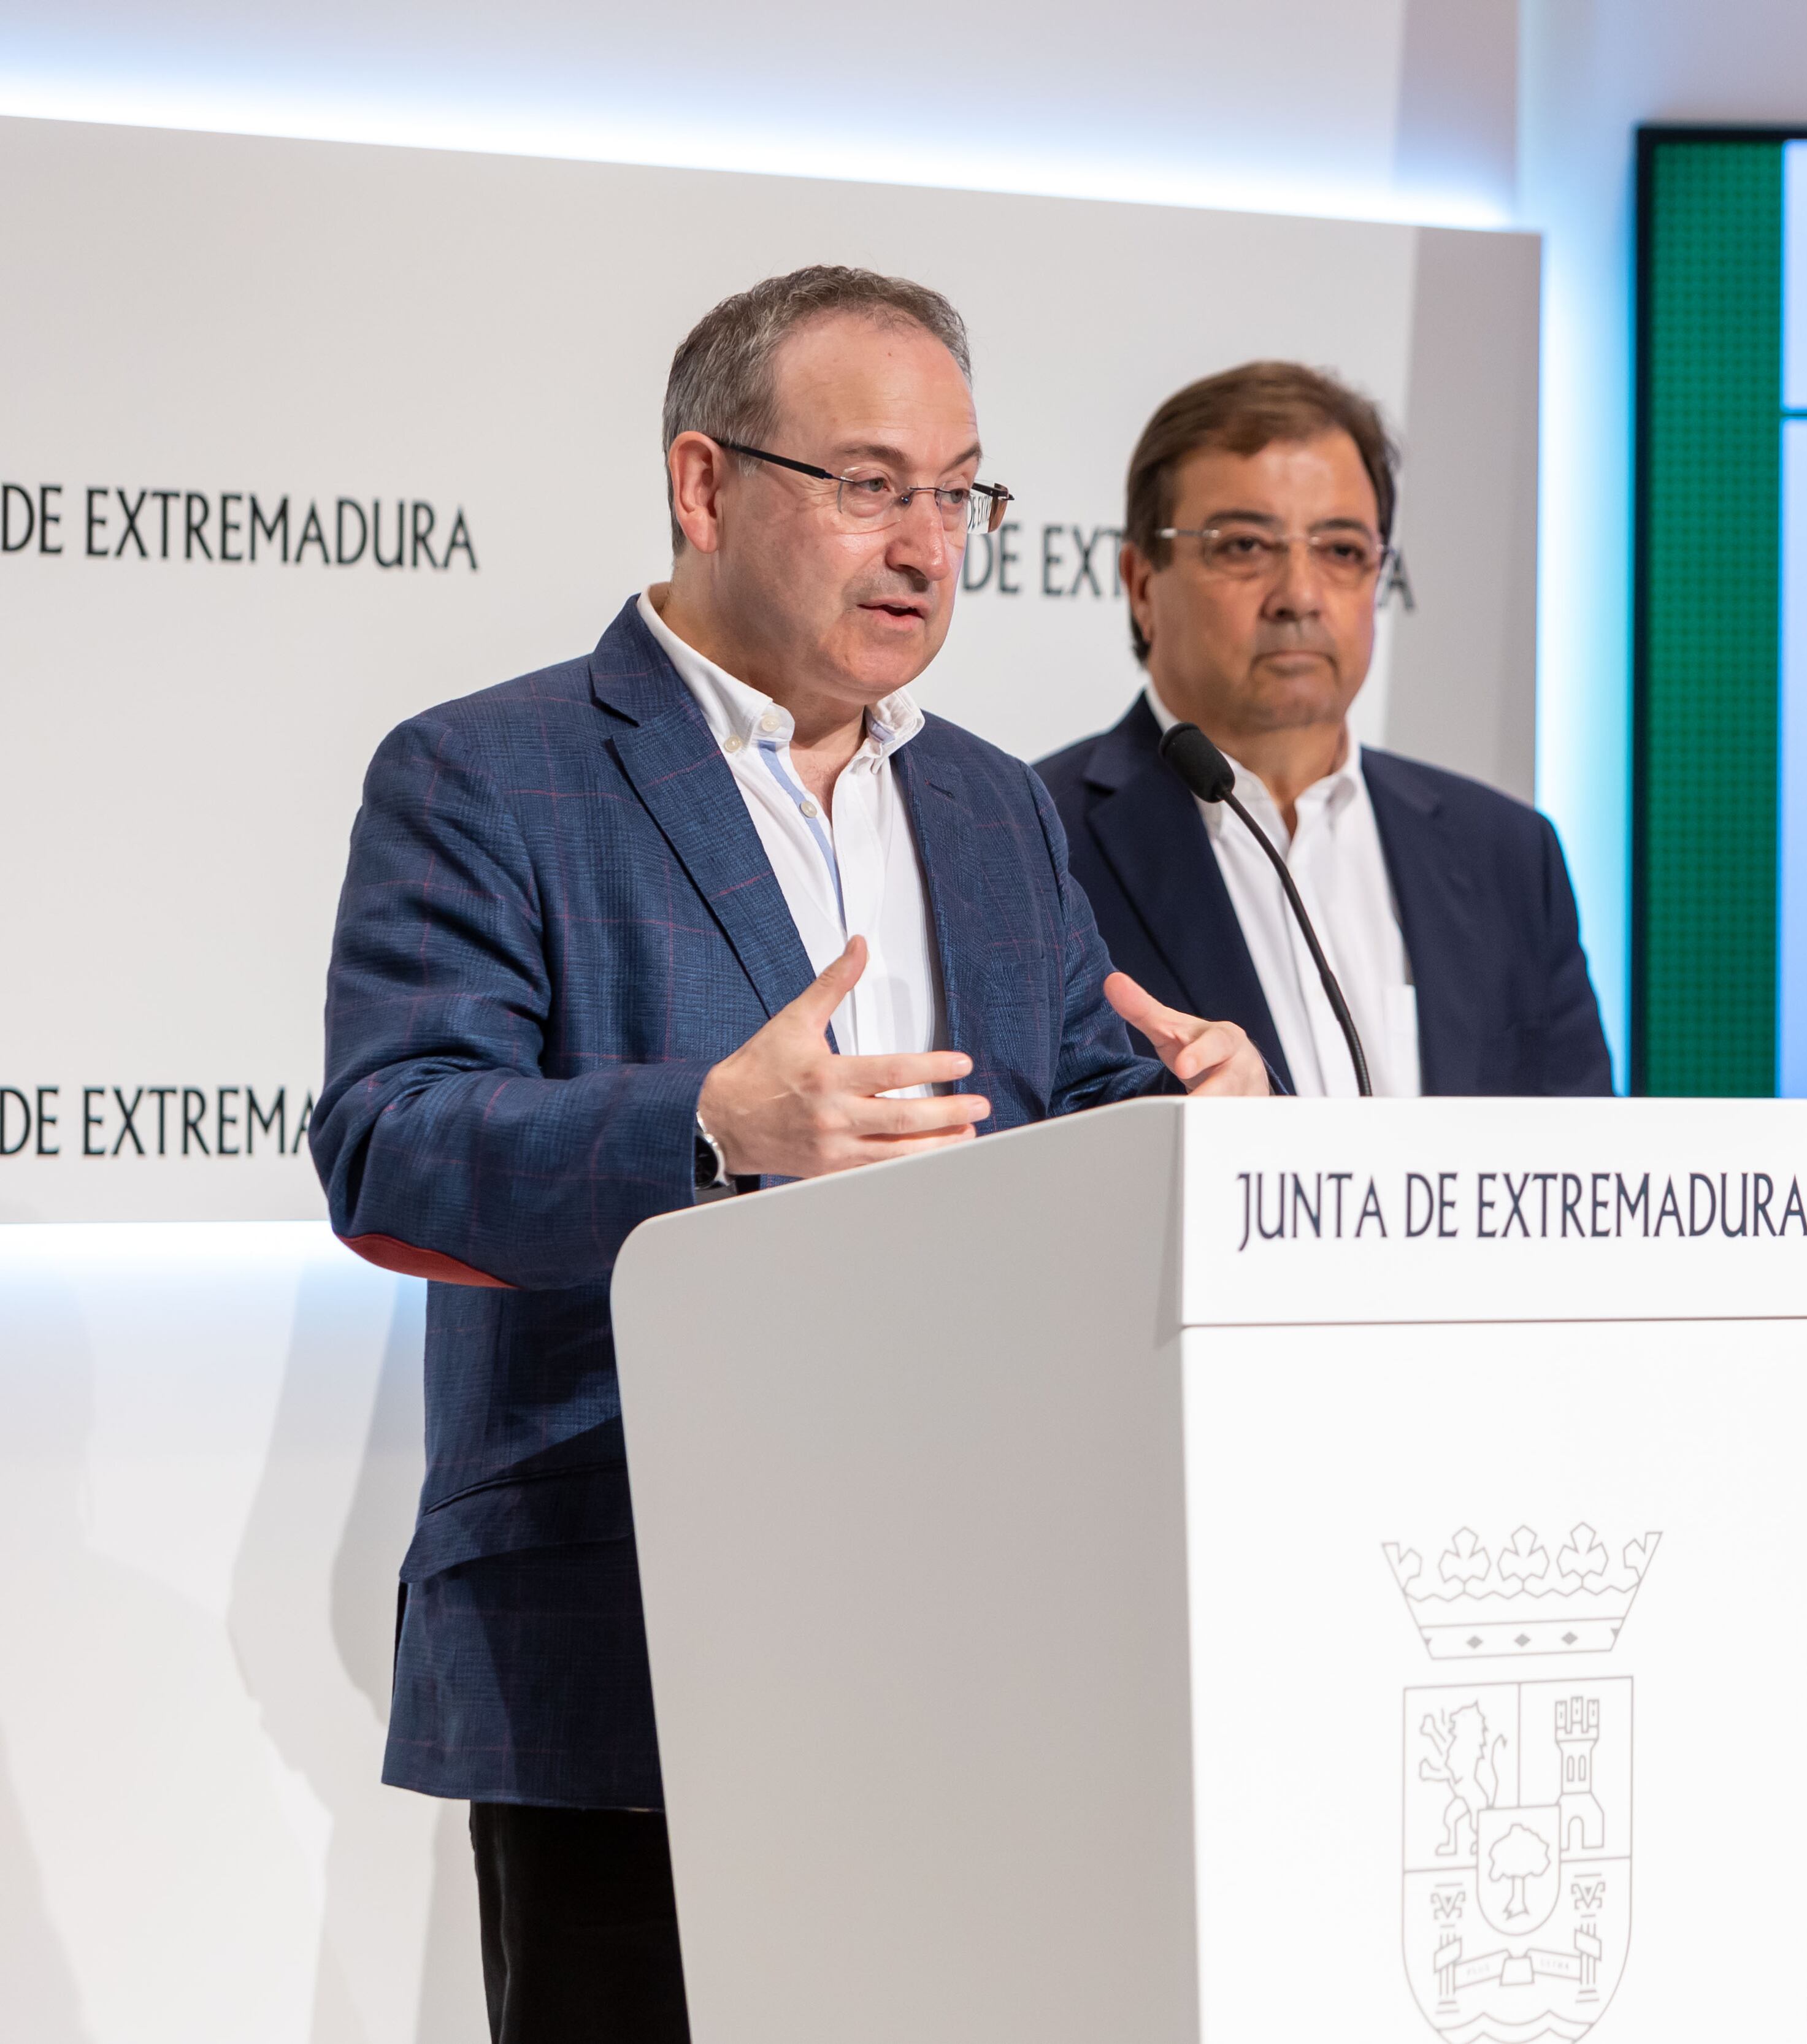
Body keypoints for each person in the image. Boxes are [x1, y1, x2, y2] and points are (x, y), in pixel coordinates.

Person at [311, 266, 1267, 2044]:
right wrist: (699, 1128)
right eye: (868, 483)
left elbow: (1047, 1142)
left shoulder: (994, 807)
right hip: (641, 1634)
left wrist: (1185, 1145)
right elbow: (391, 1144)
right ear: (704, 486)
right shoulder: (487, 776)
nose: (926, 542)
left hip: (987, 1635)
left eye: (959, 491)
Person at [1037, 361, 1610, 1098]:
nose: (1299, 597)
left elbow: (1581, 1166)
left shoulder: (1505, 854)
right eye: (1244, 545)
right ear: (1142, 585)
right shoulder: (1033, 845)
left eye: (1341, 551)